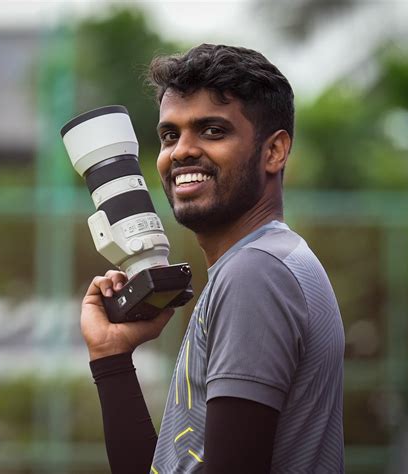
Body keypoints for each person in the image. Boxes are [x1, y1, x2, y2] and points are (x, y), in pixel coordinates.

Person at [81, 44, 345, 473]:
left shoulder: (256, 274)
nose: (181, 151)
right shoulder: (268, 262)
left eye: (212, 131)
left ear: (274, 151)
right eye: (170, 135)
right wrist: (110, 358)